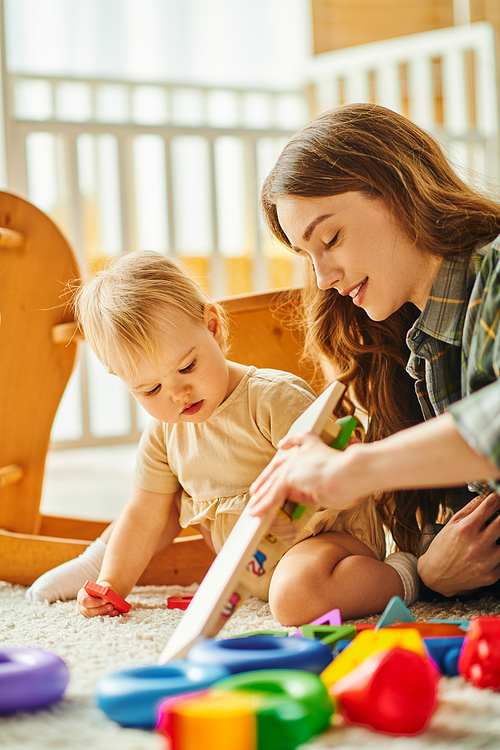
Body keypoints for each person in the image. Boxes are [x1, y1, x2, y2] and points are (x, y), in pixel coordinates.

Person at [26, 250, 413, 625]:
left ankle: (404, 575)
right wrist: (113, 584)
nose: (177, 393)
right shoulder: (164, 435)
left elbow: (341, 480)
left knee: (295, 596)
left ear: (213, 326)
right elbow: (145, 518)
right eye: (150, 390)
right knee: (162, 508)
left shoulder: (272, 398)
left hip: (326, 544)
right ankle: (90, 567)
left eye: (187, 366)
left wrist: (327, 482)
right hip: (254, 569)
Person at [248, 102, 500, 602]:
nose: (323, 278)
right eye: (308, 256)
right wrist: (423, 572)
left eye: (331, 238)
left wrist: (355, 469)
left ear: (398, 191)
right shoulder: (410, 345)